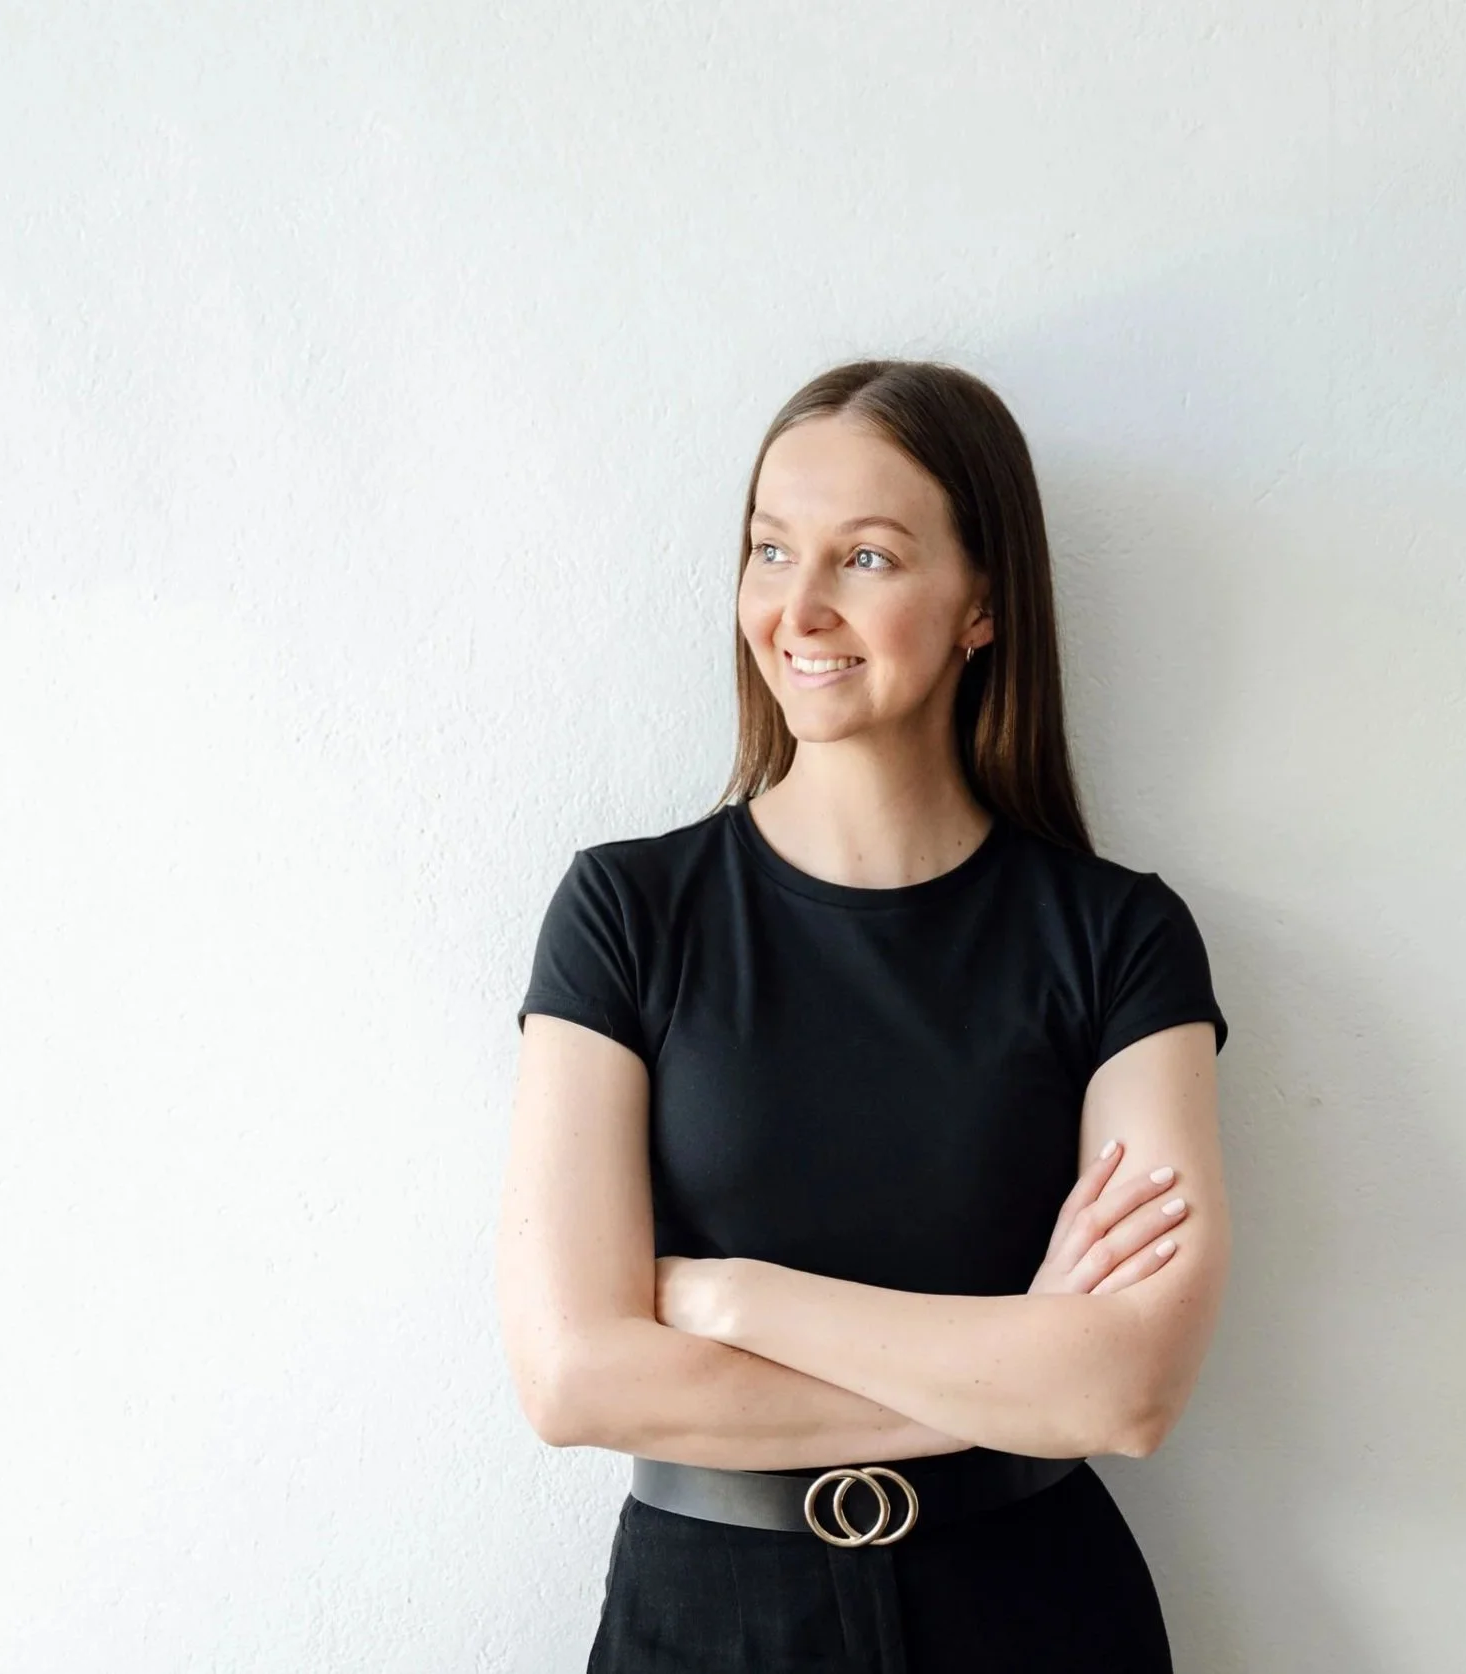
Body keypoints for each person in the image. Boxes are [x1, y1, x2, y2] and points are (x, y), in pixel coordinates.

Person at [499, 358, 1232, 1672]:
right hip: (706, 1625)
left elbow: (1124, 1388)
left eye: (870, 559)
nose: (799, 607)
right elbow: (574, 1381)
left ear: (983, 605)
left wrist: (733, 1297)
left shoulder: (1120, 938)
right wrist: (1007, 1373)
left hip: (1035, 1617)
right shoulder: (626, 911)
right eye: (771, 549)